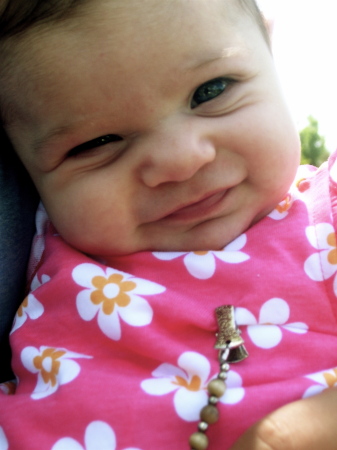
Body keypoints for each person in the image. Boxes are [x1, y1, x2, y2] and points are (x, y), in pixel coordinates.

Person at [1, 0, 337, 448]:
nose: (180, 160)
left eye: (212, 90)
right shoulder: (40, 246)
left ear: (270, 51)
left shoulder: (326, 213)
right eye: (97, 144)